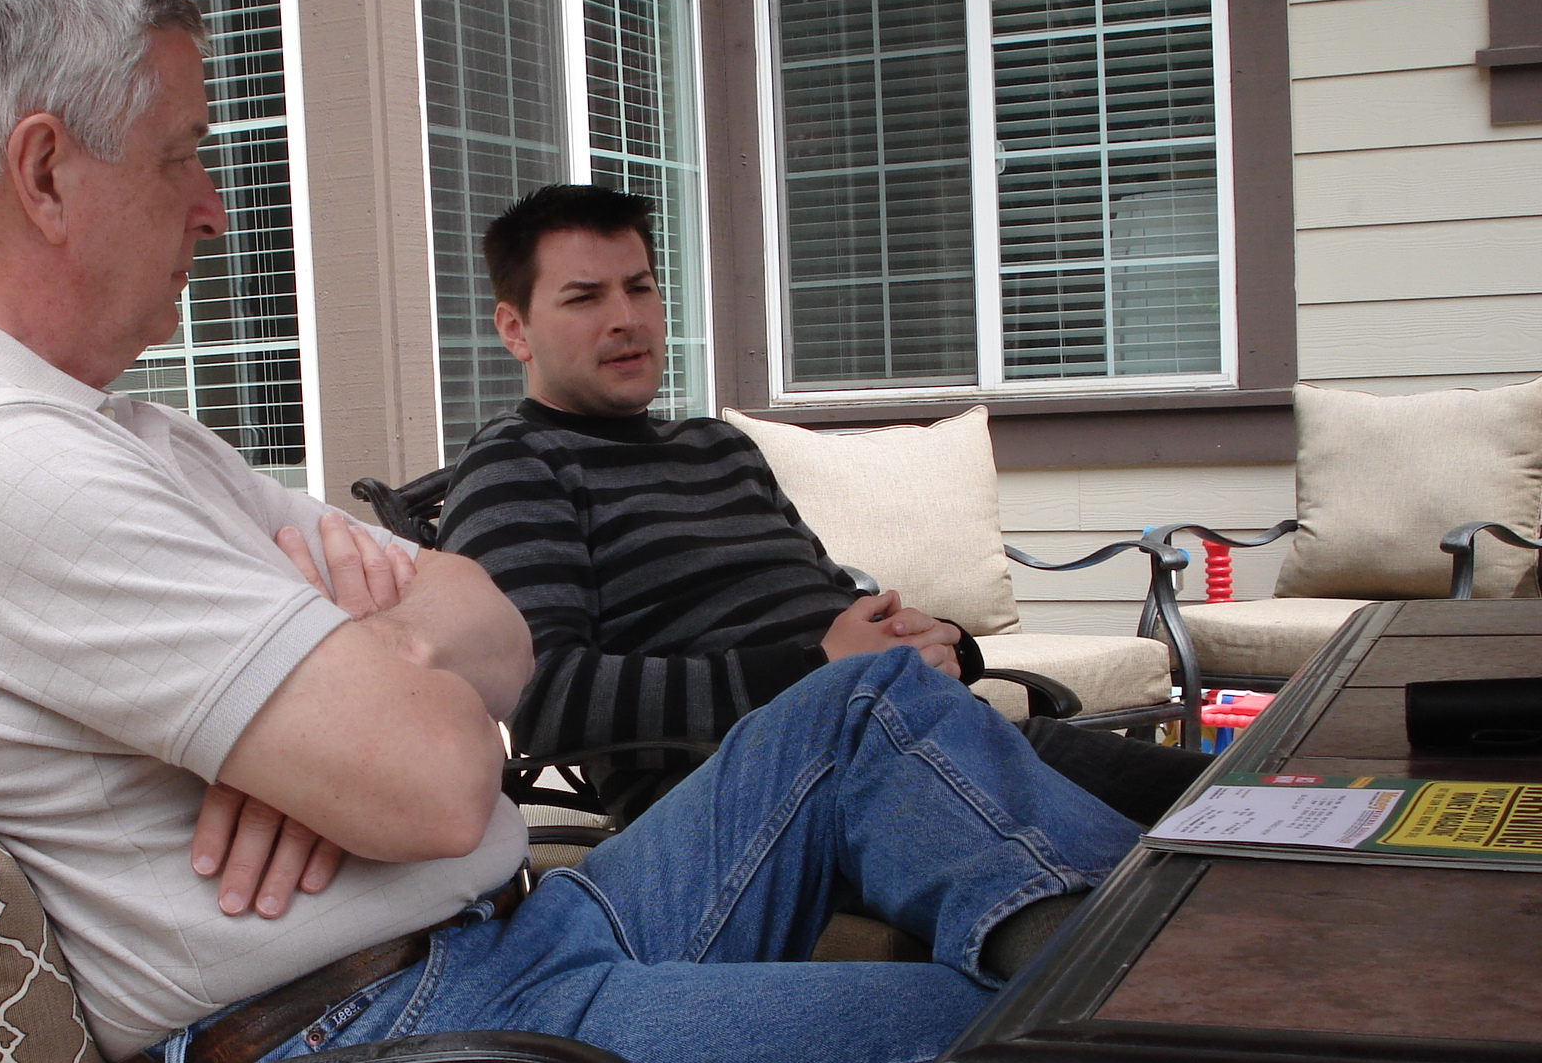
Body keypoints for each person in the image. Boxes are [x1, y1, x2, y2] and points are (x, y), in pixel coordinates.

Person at [0, 0, 1325, 1063]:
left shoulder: (123, 437)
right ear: (45, 172)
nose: (213, 207)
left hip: (497, 958)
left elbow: (487, 619)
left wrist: (356, 681)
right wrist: (364, 693)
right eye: (182, 156)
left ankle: (1147, 987)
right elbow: (439, 776)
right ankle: (1190, 1056)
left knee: (866, 707)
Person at [438, 183, 1212, 828]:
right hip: (768, 798)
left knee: (1233, 802)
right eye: (584, 298)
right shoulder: (517, 465)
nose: (626, 318)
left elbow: (836, 608)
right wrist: (817, 670)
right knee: (1143, 883)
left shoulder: (717, 448)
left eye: (639, 287)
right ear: (515, 329)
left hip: (923, 734)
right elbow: (543, 697)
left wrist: (937, 644)